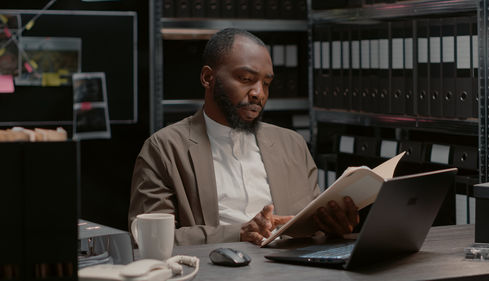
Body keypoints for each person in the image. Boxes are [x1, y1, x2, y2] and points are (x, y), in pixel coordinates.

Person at [129, 28, 358, 246]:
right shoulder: (164, 148)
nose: (259, 93)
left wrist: (332, 227)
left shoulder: (292, 144)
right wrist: (239, 233)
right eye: (246, 79)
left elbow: (312, 226)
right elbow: (146, 238)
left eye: (266, 84)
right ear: (208, 77)